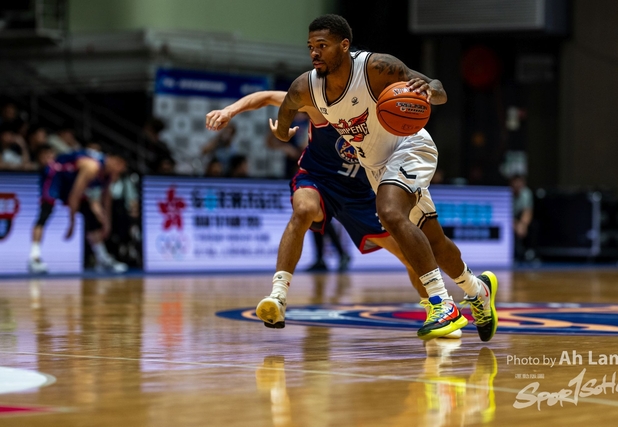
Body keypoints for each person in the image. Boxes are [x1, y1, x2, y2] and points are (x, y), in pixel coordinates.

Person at [267, 14, 498, 341]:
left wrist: (428, 89)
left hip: (410, 147)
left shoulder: (376, 68)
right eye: (310, 47)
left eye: (322, 45)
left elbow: (439, 90)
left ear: (344, 46)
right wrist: (282, 132)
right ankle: (478, 289)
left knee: (389, 212)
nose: (314, 53)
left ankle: (442, 304)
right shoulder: (306, 87)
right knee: (434, 242)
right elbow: (285, 113)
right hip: (376, 167)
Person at [206, 91, 460, 339]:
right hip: (319, 180)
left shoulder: (382, 115)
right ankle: (278, 296)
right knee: (304, 209)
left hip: (360, 193)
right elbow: (267, 97)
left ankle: (437, 310)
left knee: (409, 254)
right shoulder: (321, 105)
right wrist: (229, 111)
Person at [28, 146, 129, 274]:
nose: (121, 170)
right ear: (112, 159)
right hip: (56, 175)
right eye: (120, 165)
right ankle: (34, 257)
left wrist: (107, 223)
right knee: (45, 212)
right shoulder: (92, 167)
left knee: (91, 217)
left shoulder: (109, 174)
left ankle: (102, 259)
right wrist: (72, 224)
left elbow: (106, 199)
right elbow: (74, 196)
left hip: (71, 181)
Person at [510, 174, 535, 261]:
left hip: (520, 219)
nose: (517, 185)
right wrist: (514, 224)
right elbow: (505, 214)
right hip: (509, 219)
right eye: (515, 182)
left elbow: (527, 212)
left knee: (533, 226)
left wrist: (522, 225)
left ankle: (529, 252)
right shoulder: (507, 192)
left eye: (519, 182)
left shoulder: (526, 193)